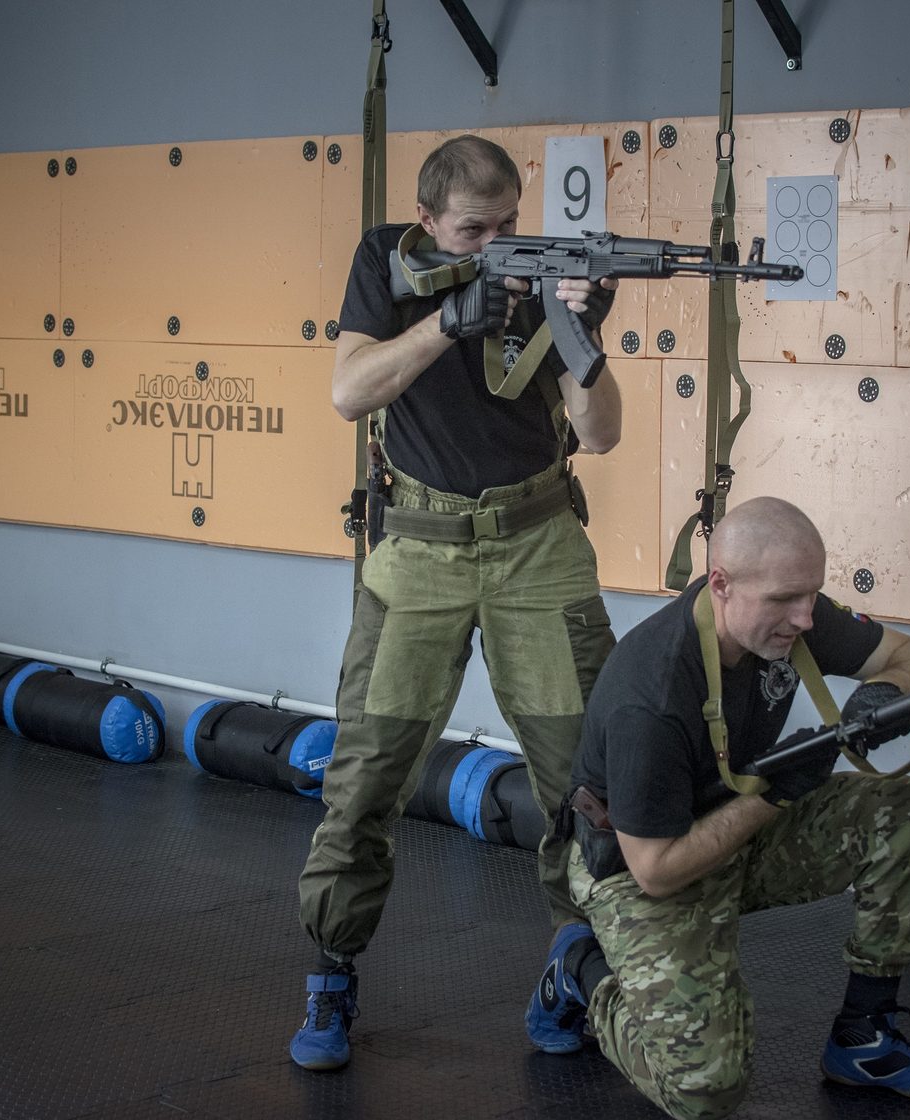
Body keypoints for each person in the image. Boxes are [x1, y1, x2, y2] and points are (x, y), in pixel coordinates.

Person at [290, 134, 623, 1070]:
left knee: (586, 787)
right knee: (365, 777)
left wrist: (579, 334)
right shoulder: (386, 262)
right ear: (429, 221)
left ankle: (578, 967)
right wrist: (451, 319)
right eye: (473, 230)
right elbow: (348, 391)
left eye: (508, 225)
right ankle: (332, 969)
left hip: (539, 547)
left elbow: (602, 435)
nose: (494, 245)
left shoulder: (547, 281)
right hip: (421, 551)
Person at [523, 496, 910, 1116]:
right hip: (636, 868)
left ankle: (864, 1036)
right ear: (721, 584)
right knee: (704, 1089)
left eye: (811, 595)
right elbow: (656, 870)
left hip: (737, 825)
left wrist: (880, 696)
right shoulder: (652, 693)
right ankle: (578, 967)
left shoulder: (790, 612)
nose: (805, 619)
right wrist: (778, 789)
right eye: (785, 601)